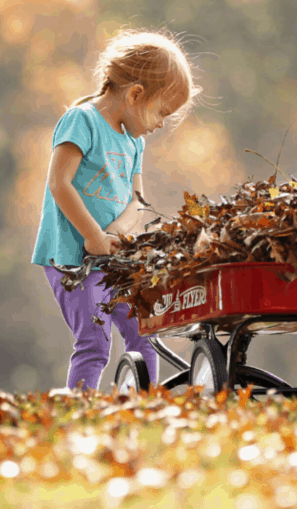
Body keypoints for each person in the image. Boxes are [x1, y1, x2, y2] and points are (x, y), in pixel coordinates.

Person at [32, 29, 200, 390]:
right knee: (94, 342)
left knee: (145, 331)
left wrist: (116, 237)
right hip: (71, 259)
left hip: (111, 260)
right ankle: (83, 410)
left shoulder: (133, 142)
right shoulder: (83, 120)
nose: (160, 125)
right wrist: (93, 236)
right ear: (136, 94)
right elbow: (59, 183)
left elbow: (136, 200)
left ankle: (145, 404)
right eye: (161, 113)